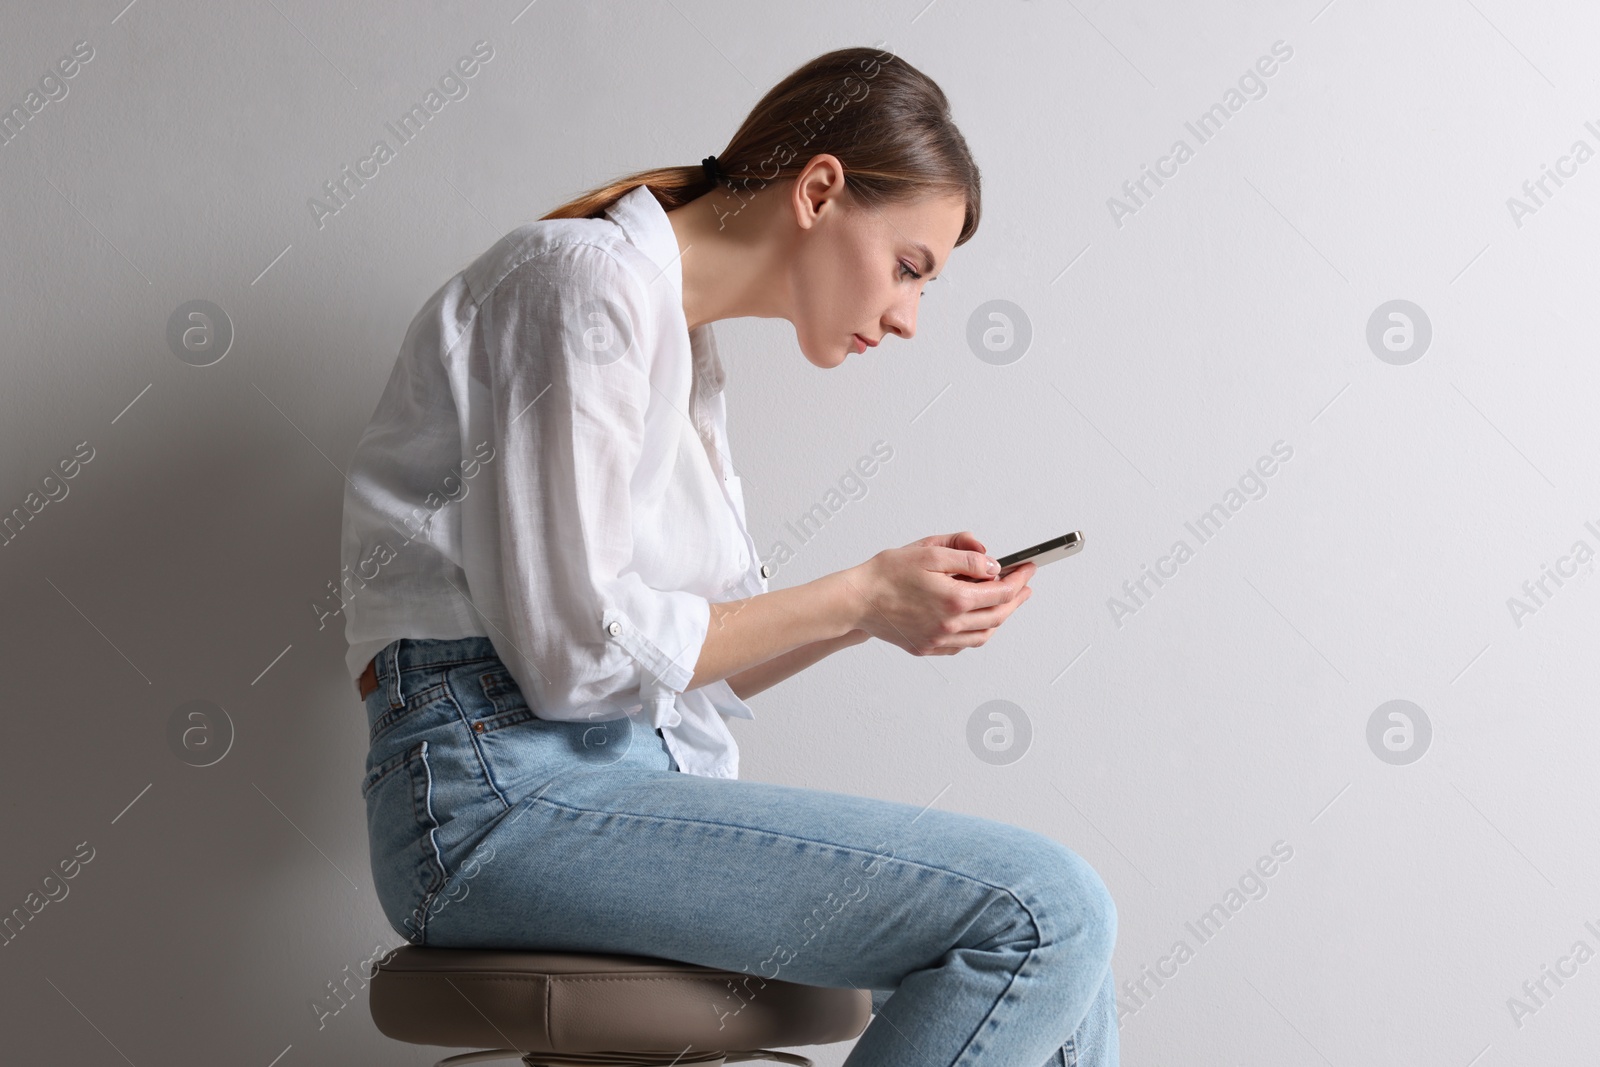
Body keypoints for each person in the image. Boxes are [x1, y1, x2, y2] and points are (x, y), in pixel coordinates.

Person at [342, 44, 1118, 1067]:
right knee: (1043, 909)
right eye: (909, 267)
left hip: (609, 778)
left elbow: (683, 660)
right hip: (493, 800)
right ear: (821, 189)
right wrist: (857, 592)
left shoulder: (684, 352)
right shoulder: (579, 286)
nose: (906, 316)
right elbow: (573, 660)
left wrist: (881, 607)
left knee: (1070, 953)